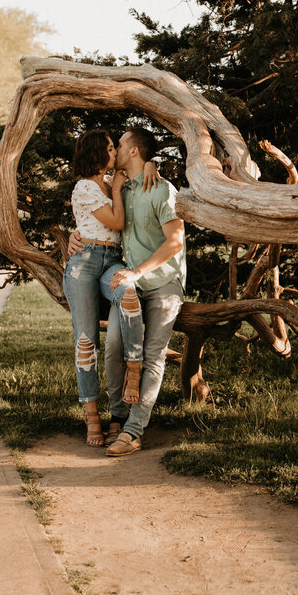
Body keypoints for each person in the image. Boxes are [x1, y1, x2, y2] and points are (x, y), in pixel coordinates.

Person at [69, 127, 186, 457]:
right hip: (128, 282)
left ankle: (133, 432)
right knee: (114, 348)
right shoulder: (120, 187)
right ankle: (118, 416)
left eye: (118, 145)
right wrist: (74, 235)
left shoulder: (161, 189)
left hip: (162, 281)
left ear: (133, 151)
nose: (114, 150)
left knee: (153, 354)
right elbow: (95, 217)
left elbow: (175, 242)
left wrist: (138, 271)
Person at [62, 129, 155, 447]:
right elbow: (116, 222)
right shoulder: (85, 186)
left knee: (128, 293)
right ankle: (91, 418)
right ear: (98, 153)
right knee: (86, 341)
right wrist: (115, 188)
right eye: (110, 147)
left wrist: (152, 164)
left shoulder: (111, 181)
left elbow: (140, 168)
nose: (115, 151)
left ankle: (133, 367)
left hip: (112, 261)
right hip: (84, 263)